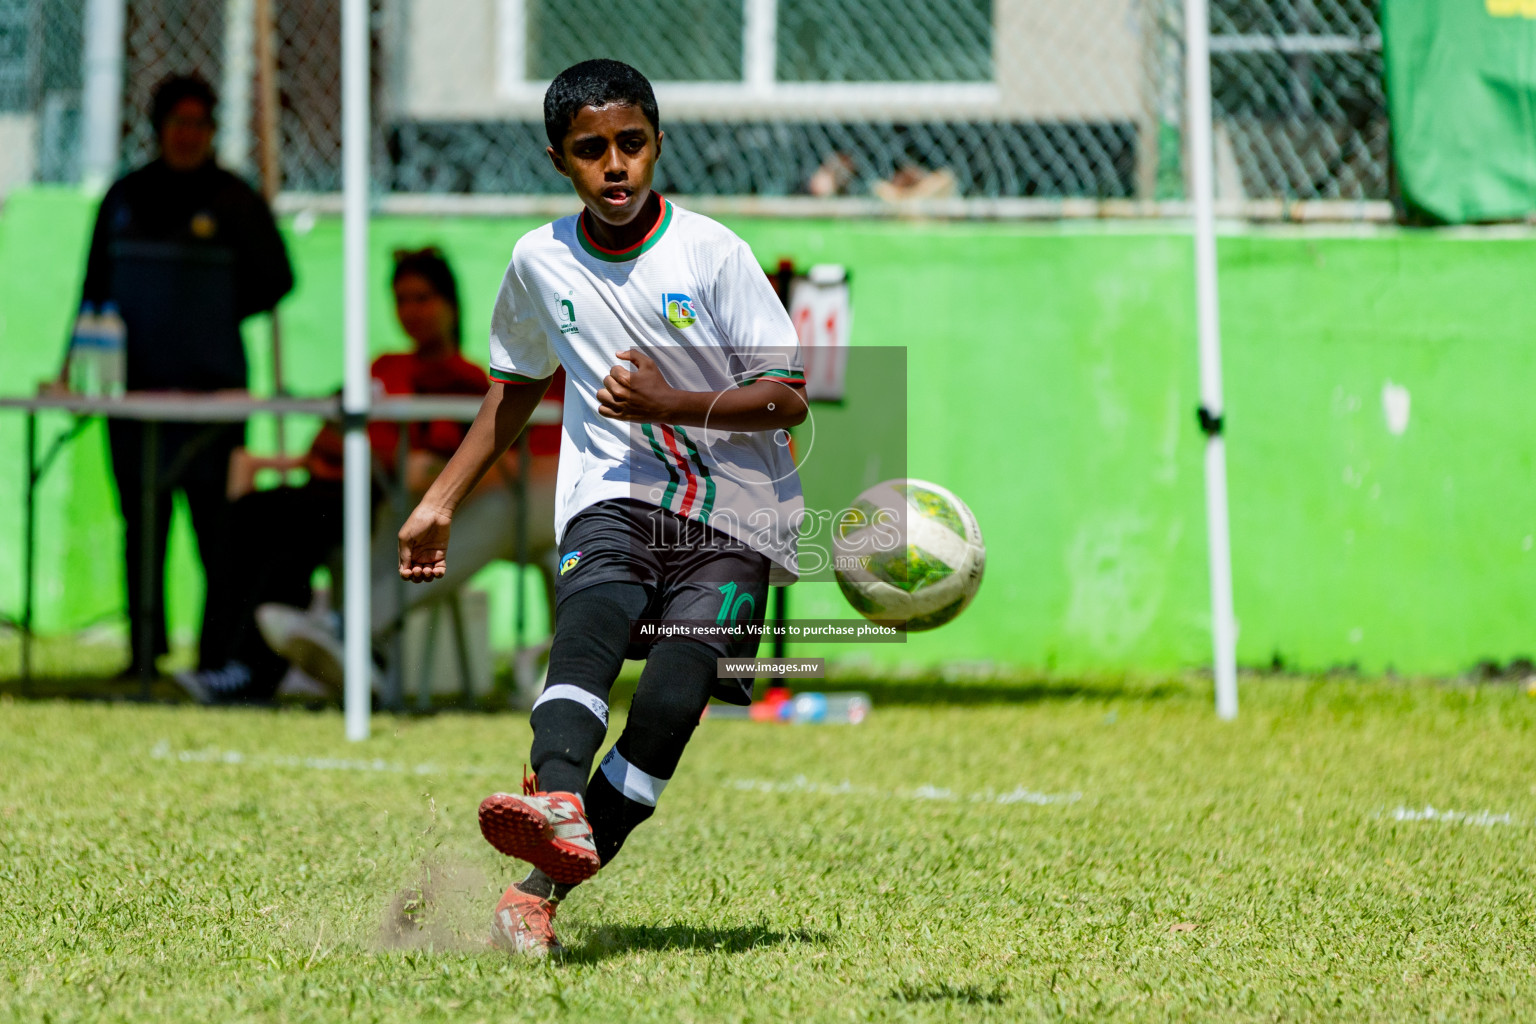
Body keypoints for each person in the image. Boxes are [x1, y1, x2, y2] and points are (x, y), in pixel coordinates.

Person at [396, 59, 808, 956]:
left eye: (630, 144)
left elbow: (786, 398)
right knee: (588, 628)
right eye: (592, 150)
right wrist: (439, 500)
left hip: (737, 516)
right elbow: (513, 390)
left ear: (657, 144)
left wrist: (669, 402)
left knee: (666, 709)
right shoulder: (539, 261)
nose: (614, 165)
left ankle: (537, 891)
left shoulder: (710, 254)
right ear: (560, 160)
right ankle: (553, 793)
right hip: (612, 496)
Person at [177, 247, 525, 703]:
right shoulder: (385, 366)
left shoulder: (463, 383)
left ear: (449, 304)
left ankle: (252, 675)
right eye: (402, 300)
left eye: (423, 298)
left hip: (381, 501)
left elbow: (427, 467)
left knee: (294, 532)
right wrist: (369, 452)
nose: (412, 312)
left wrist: (371, 454)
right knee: (245, 514)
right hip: (335, 487)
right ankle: (218, 664)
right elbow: (326, 440)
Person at [75, 73, 294, 679]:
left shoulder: (234, 200)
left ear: (212, 131)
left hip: (213, 397)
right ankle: (142, 656)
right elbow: (92, 289)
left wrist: (212, 313)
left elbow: (277, 278)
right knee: (142, 524)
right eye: (178, 123)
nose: (188, 135)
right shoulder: (123, 198)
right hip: (134, 397)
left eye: (199, 124)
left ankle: (214, 657)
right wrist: (75, 368)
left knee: (216, 532)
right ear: (158, 129)